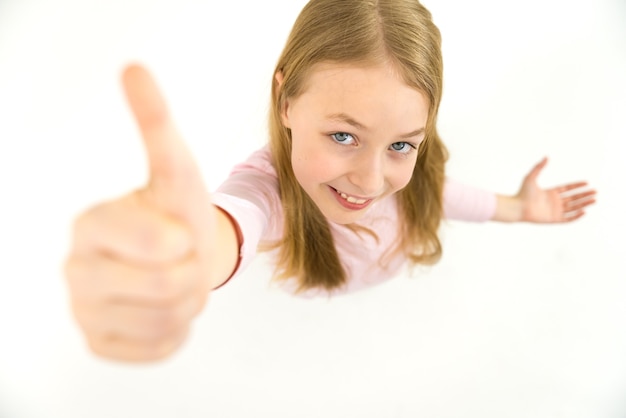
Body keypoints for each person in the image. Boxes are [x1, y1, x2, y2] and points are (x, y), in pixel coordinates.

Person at [64, 0, 596, 362]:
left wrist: (515, 207)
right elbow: (233, 220)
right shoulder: (268, 187)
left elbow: (439, 196)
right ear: (286, 100)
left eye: (402, 144)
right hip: (316, 296)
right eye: (343, 136)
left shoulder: (408, 176)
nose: (370, 180)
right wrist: (187, 255)